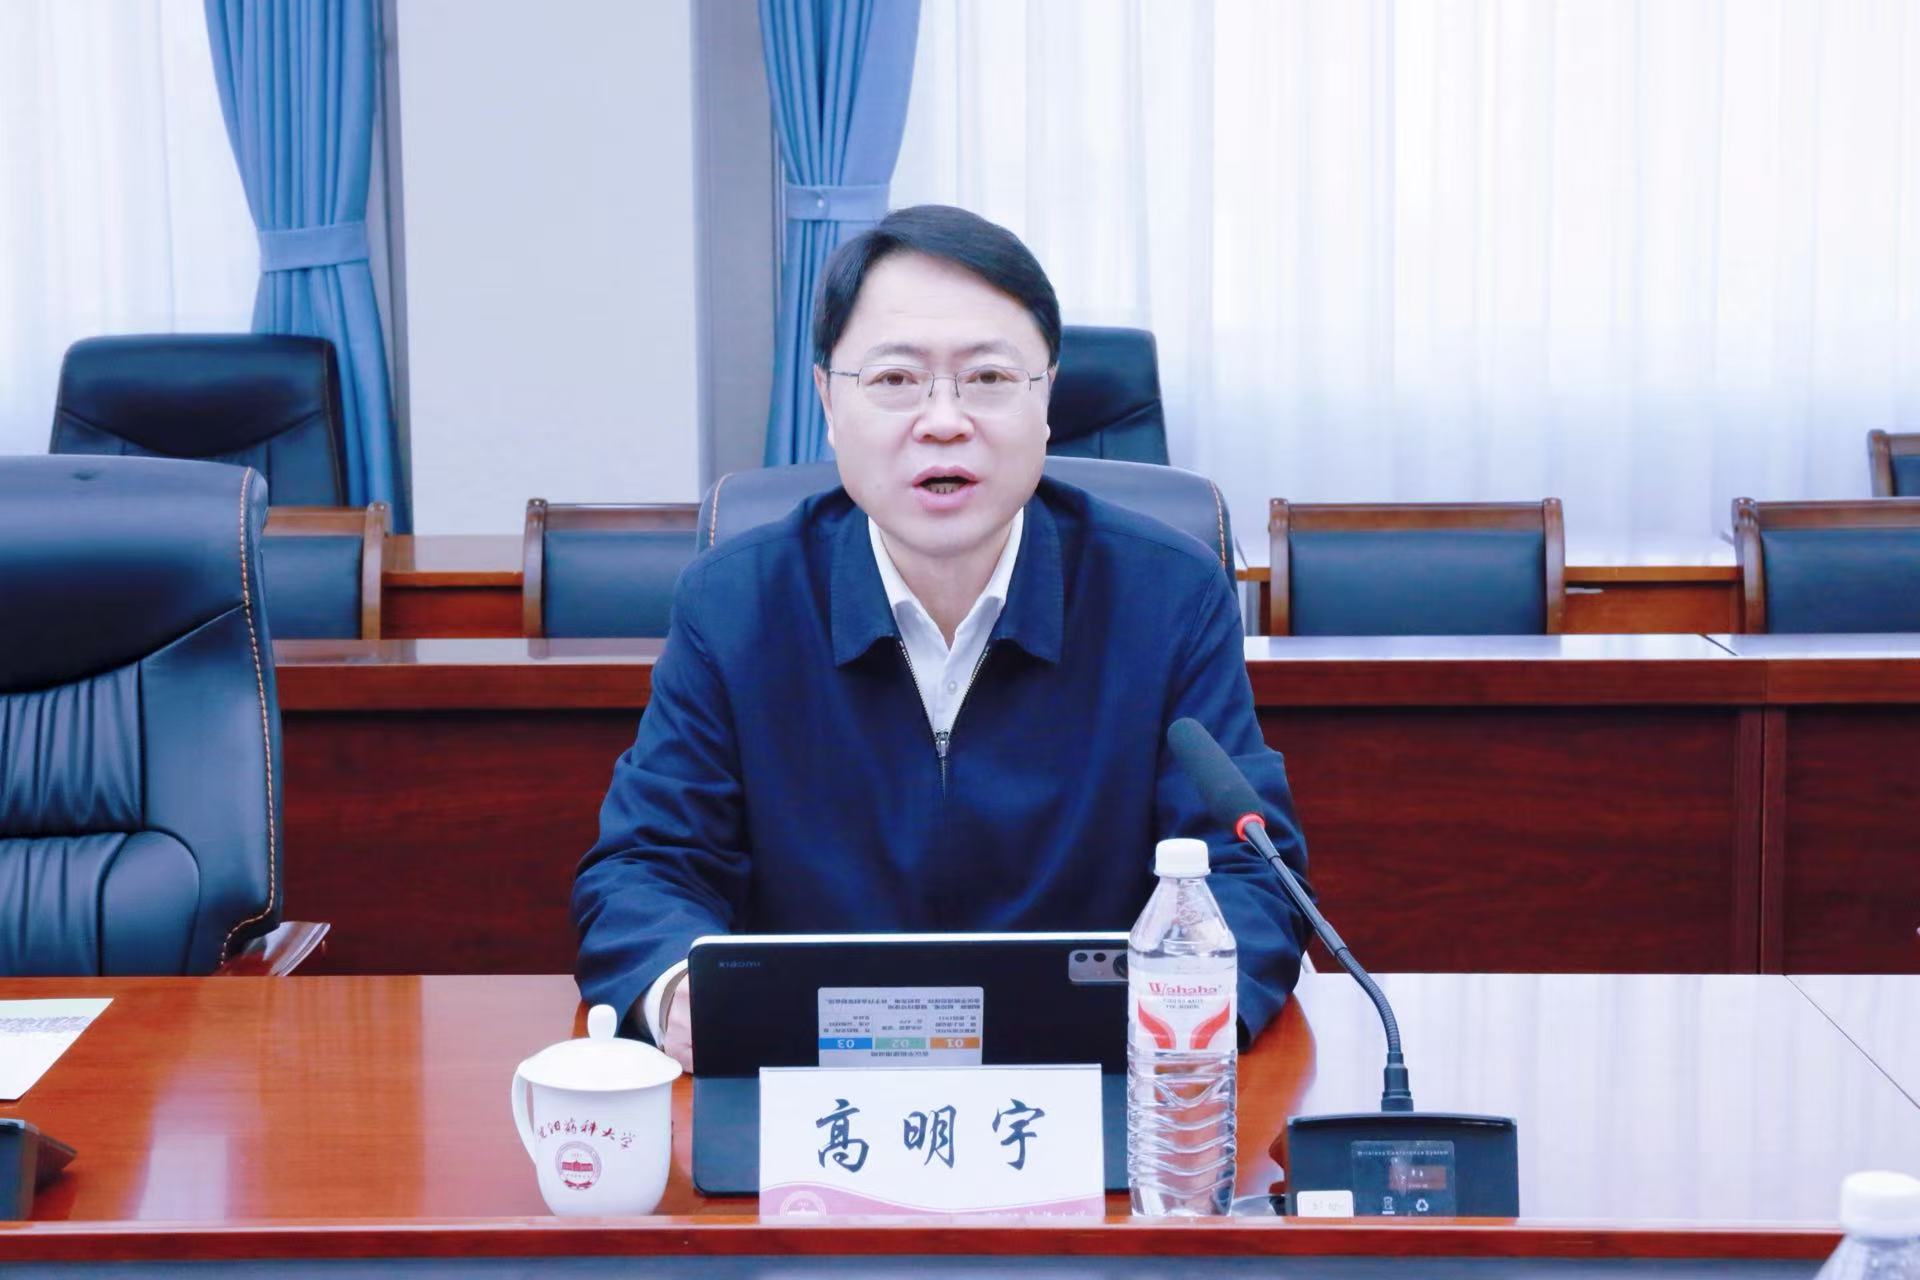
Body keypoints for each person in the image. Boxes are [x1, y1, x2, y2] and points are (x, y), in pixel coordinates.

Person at [573, 205, 1312, 1072]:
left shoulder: (1168, 595)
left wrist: (1174, 1022)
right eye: (895, 379)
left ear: (1046, 400)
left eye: (989, 378)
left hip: (1092, 1080)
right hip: (813, 1084)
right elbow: (645, 866)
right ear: (828, 401)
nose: (944, 420)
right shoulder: (737, 603)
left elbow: (1249, 874)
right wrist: (679, 995)